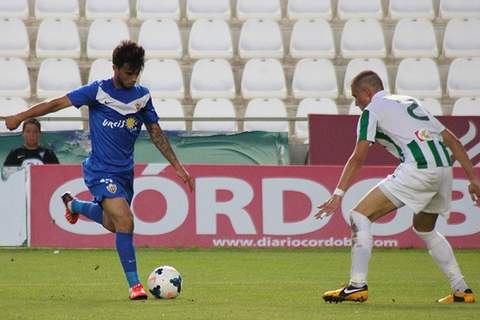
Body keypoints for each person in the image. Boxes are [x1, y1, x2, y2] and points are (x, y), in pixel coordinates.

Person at [5, 40, 194, 300]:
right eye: (128, 73)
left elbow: (155, 132)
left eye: (137, 73)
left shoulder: (142, 96)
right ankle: (135, 285)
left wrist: (177, 166)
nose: (133, 78)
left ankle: (75, 206)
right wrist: (20, 116)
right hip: (99, 170)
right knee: (126, 220)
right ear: (115, 68)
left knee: (114, 224)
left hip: (124, 173)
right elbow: (56, 104)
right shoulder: (97, 91)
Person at [315, 70, 478, 304]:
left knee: (359, 216)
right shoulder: (409, 101)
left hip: (419, 168)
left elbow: (358, 156)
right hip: (443, 169)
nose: (356, 103)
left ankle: (356, 286)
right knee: (425, 229)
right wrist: (474, 179)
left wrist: (338, 194)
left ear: (367, 92)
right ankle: (462, 290)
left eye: (356, 97)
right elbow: (452, 139)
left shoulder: (372, 109)